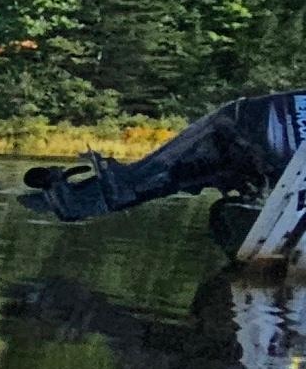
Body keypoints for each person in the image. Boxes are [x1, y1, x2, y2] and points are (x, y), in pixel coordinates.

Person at [20, 91, 306, 261]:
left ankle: (64, 197)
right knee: (137, 184)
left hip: (240, 119)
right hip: (262, 140)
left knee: (139, 182)